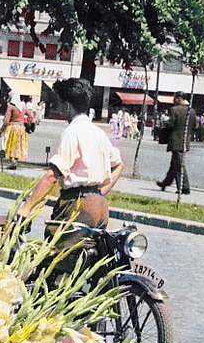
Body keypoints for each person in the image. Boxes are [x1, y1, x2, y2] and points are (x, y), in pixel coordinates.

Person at [14, 77, 124, 231]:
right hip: (99, 207)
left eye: (59, 102)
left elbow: (53, 175)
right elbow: (119, 164)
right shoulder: (98, 133)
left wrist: (26, 207)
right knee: (89, 252)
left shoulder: (72, 132)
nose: (58, 106)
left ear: (67, 105)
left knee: (57, 251)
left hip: (77, 205)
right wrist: (100, 192)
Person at [157, 93, 193, 197]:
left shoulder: (174, 110)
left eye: (175, 98)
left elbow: (171, 124)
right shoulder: (192, 111)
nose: (174, 100)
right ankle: (165, 183)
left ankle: (184, 187)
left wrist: (164, 122)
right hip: (185, 141)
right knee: (174, 164)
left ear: (179, 99)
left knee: (178, 164)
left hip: (176, 140)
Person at [1, 98, 30, 168]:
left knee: (11, 145)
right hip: (22, 128)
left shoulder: (11, 107)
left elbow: (6, 121)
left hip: (13, 127)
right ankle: (15, 160)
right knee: (19, 145)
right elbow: (31, 116)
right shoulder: (23, 107)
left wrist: (2, 129)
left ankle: (13, 161)